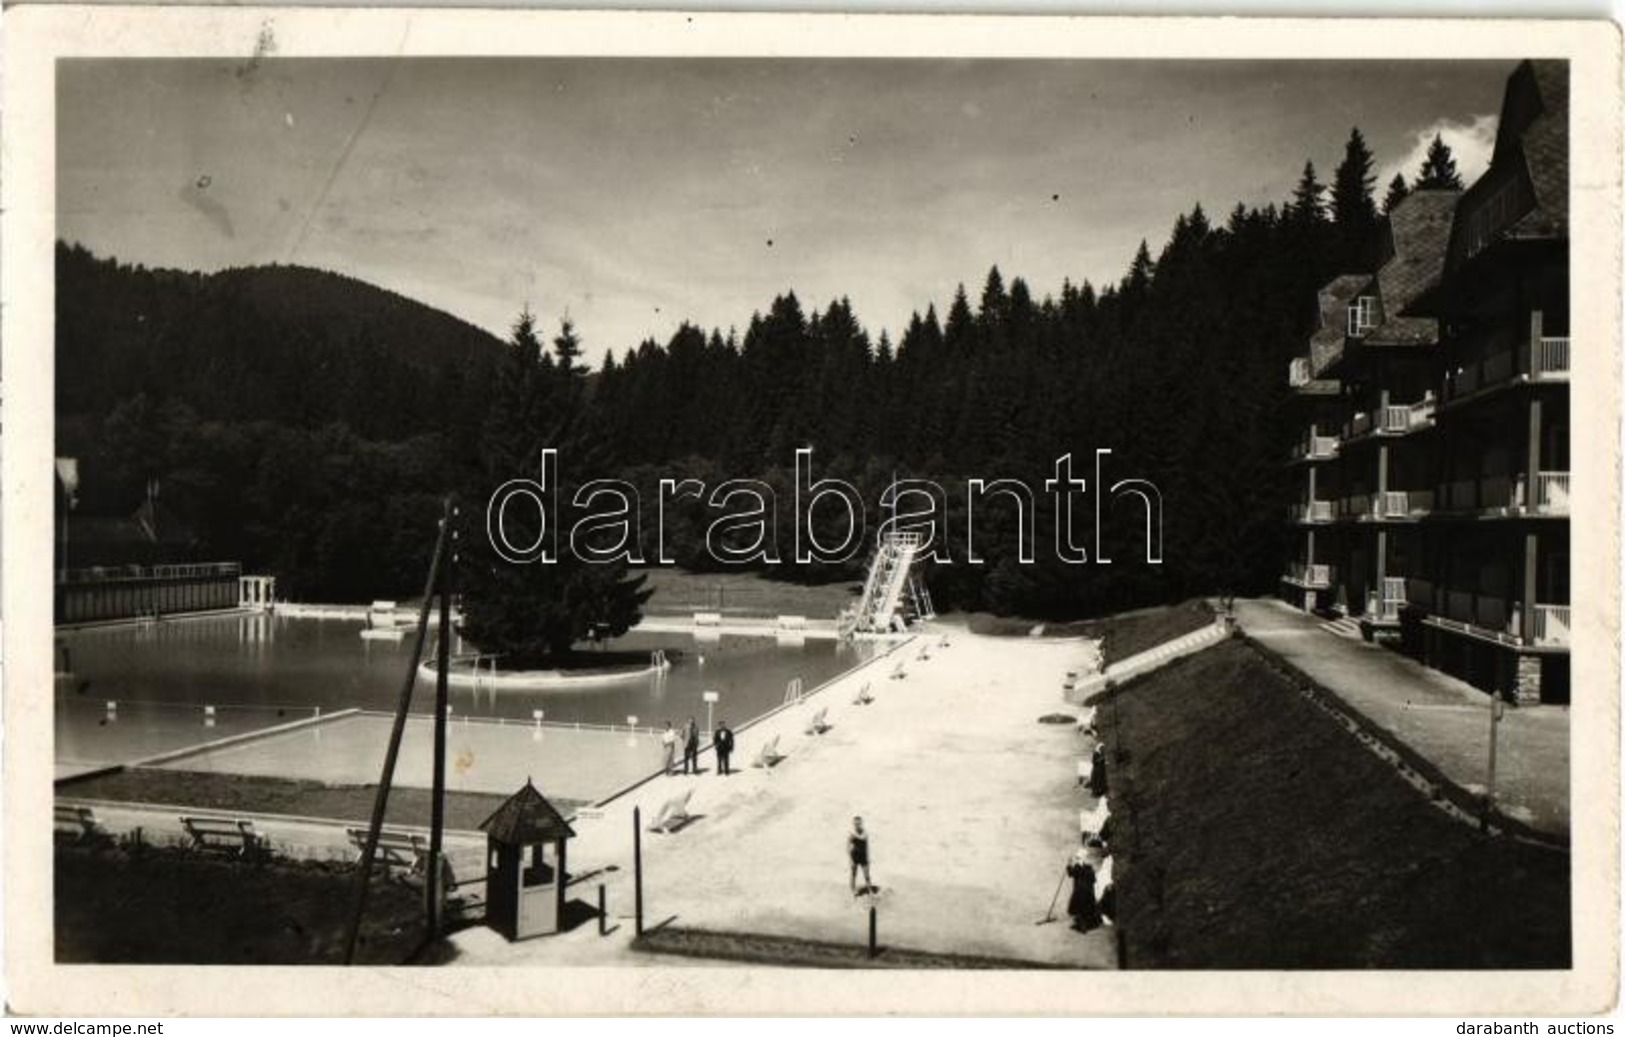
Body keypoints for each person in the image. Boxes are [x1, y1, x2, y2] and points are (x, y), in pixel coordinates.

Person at [1066, 848, 1102, 932]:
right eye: (1077, 858)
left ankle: (1082, 925)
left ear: (1082, 858)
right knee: (1087, 908)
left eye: (1078, 858)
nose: (1077, 859)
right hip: (1089, 892)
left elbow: (1070, 873)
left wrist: (1069, 864)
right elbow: (1093, 880)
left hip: (1080, 892)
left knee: (1080, 908)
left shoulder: (1078, 867)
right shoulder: (1089, 868)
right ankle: (1086, 921)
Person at [848, 815, 872, 895]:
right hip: (854, 855)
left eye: (859, 824)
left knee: (867, 875)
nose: (857, 825)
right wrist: (850, 859)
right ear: (853, 824)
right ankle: (852, 890)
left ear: (861, 823)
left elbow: (865, 842)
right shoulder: (851, 833)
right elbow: (848, 846)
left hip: (863, 855)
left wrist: (868, 857)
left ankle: (869, 890)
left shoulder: (864, 832)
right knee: (853, 874)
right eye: (855, 824)